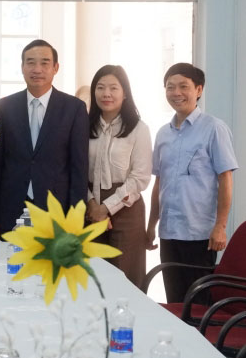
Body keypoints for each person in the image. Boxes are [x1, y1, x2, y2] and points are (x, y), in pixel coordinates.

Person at [147, 63, 238, 303]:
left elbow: (225, 178)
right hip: (169, 231)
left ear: (198, 90)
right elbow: (159, 183)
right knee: (175, 300)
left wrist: (220, 225)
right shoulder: (162, 134)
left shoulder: (214, 128)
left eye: (183, 86)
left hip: (200, 233)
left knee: (199, 303)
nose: (176, 93)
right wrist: (151, 226)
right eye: (170, 87)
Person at [0, 39, 89, 238]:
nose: (37, 69)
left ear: (55, 68)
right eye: (30, 62)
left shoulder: (74, 109)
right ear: (22, 67)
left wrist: (76, 220)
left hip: (57, 209)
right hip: (11, 207)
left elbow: (79, 169)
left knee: (51, 267)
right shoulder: (5, 107)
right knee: (10, 265)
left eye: (44, 63)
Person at [86, 65, 152, 288]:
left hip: (126, 207)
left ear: (125, 93)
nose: (106, 94)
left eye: (114, 88)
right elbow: (74, 169)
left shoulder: (138, 129)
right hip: (88, 207)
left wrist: (106, 208)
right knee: (92, 275)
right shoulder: (83, 126)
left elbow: (140, 177)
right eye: (100, 87)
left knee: (126, 276)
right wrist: (92, 205)